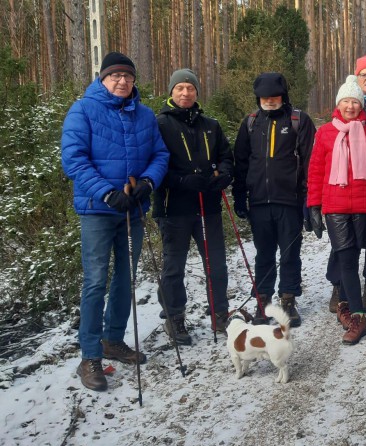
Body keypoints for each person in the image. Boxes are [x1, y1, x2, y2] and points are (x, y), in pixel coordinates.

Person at [61, 52, 169, 391]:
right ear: (103, 78)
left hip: (131, 211)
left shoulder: (145, 115)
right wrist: (107, 193)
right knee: (95, 282)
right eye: (115, 76)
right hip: (98, 210)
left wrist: (149, 182)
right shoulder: (83, 110)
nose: (122, 81)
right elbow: (74, 160)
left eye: (128, 76)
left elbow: (160, 154)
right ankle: (90, 356)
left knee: (126, 278)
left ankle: (113, 339)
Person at [153, 68, 234, 345]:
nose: (185, 93)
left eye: (190, 88)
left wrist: (224, 174)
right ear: (171, 92)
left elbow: (226, 156)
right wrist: (181, 180)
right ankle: (174, 317)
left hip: (207, 205)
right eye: (180, 88)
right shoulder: (160, 124)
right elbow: (152, 165)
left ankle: (220, 313)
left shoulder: (210, 125)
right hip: (173, 207)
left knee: (216, 263)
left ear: (197, 92)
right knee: (173, 266)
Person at [307, 76, 366, 345]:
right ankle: (358, 316)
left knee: (353, 257)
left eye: (355, 102)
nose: (351, 106)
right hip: (336, 207)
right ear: (338, 104)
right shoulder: (325, 133)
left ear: (361, 105)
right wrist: (314, 206)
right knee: (346, 259)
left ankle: (349, 306)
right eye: (346, 101)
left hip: (364, 207)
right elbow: (316, 172)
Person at [232, 72, 316, 326]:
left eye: (274, 96)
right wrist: (239, 197)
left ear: (283, 96)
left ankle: (288, 300)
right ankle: (263, 301)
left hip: (290, 201)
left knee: (290, 254)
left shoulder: (299, 121)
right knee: (263, 254)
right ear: (257, 98)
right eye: (264, 97)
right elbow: (241, 164)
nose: (269, 100)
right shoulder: (250, 123)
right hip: (258, 202)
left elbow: (311, 163)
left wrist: (309, 200)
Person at [325, 54, 366, 314]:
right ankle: (338, 284)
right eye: (364, 74)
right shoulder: (348, 100)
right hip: (344, 188)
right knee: (342, 243)